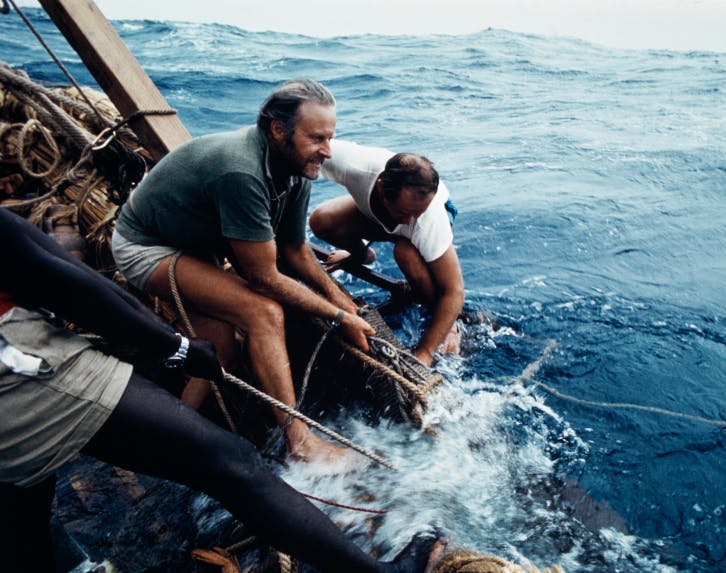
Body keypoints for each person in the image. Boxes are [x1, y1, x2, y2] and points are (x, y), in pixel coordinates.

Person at [0, 207, 445, 573]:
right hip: (15, 366)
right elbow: (63, 284)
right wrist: (173, 348)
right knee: (228, 461)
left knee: (23, 499)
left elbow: (45, 256)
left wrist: (169, 342)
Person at [111, 79, 375, 463]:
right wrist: (335, 316)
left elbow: (296, 251)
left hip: (197, 245)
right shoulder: (241, 171)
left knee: (218, 344)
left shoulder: (296, 167)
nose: (327, 151)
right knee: (263, 312)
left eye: (330, 138)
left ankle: (173, 433)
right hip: (146, 245)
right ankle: (299, 442)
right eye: (317, 137)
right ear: (278, 130)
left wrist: (345, 305)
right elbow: (263, 277)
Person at [309, 140, 465, 367]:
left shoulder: (428, 219)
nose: (411, 221)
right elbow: (303, 149)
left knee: (406, 252)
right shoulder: (355, 165)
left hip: (427, 226)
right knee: (321, 219)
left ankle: (449, 323)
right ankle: (361, 254)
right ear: (381, 187)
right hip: (375, 216)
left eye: (416, 214)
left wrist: (425, 352)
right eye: (405, 212)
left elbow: (455, 290)